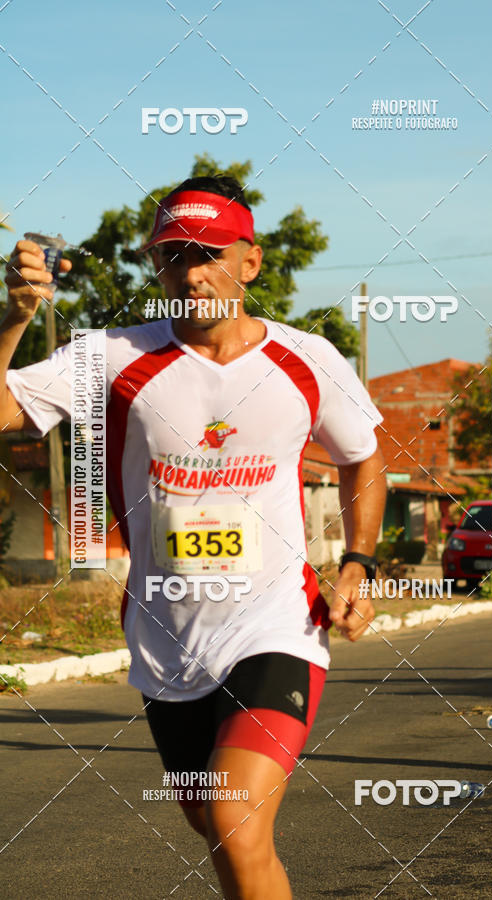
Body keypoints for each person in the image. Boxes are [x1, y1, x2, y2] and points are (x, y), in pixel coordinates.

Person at [1, 175, 387, 899]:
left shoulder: (307, 358)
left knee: (233, 814)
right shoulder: (112, 356)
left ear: (252, 261)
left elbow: (362, 456)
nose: (193, 271)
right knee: (219, 829)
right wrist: (15, 316)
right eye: (175, 255)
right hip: (166, 639)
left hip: (276, 628)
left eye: (210, 252)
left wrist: (357, 565)